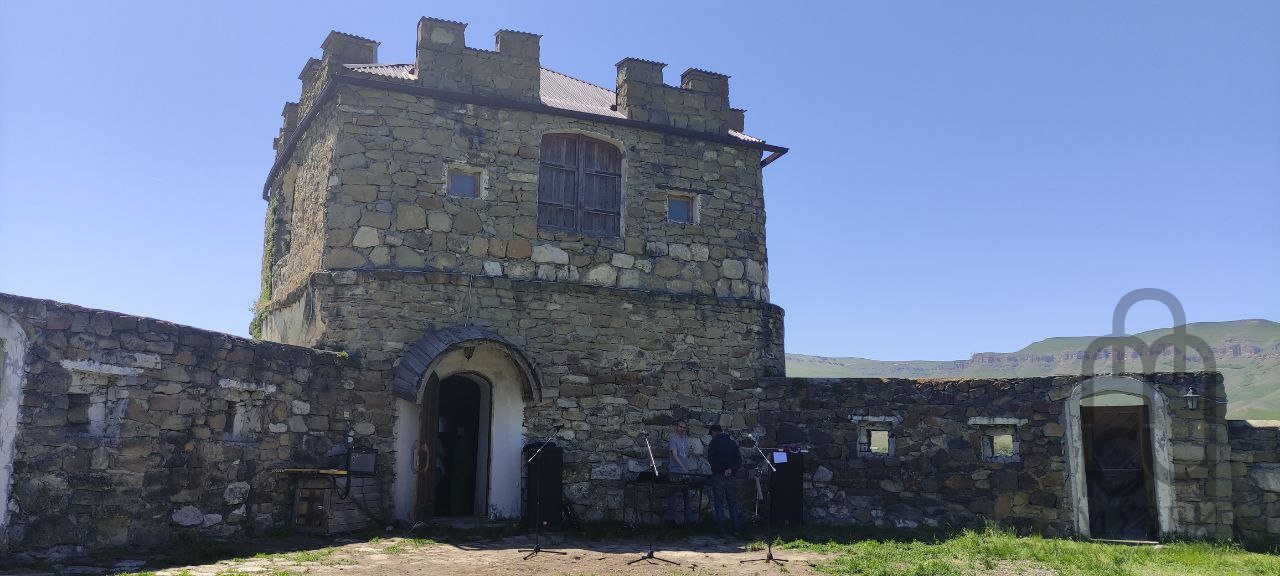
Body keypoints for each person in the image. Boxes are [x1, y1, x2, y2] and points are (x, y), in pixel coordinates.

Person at [707, 424, 742, 534]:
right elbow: (739, 460)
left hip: (718, 476)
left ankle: (721, 530)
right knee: (733, 503)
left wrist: (722, 470)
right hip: (731, 476)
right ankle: (736, 529)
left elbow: (712, 460)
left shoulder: (714, 443)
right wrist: (731, 469)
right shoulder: (732, 443)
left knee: (719, 503)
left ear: (713, 432)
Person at [666, 419, 695, 525]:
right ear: (676, 427)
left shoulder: (686, 440)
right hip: (675, 471)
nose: (682, 429)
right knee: (672, 496)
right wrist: (683, 468)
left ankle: (689, 520)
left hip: (684, 472)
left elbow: (684, 455)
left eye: (684, 427)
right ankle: (670, 521)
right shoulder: (673, 439)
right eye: (680, 427)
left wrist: (690, 453)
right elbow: (674, 455)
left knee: (687, 496)